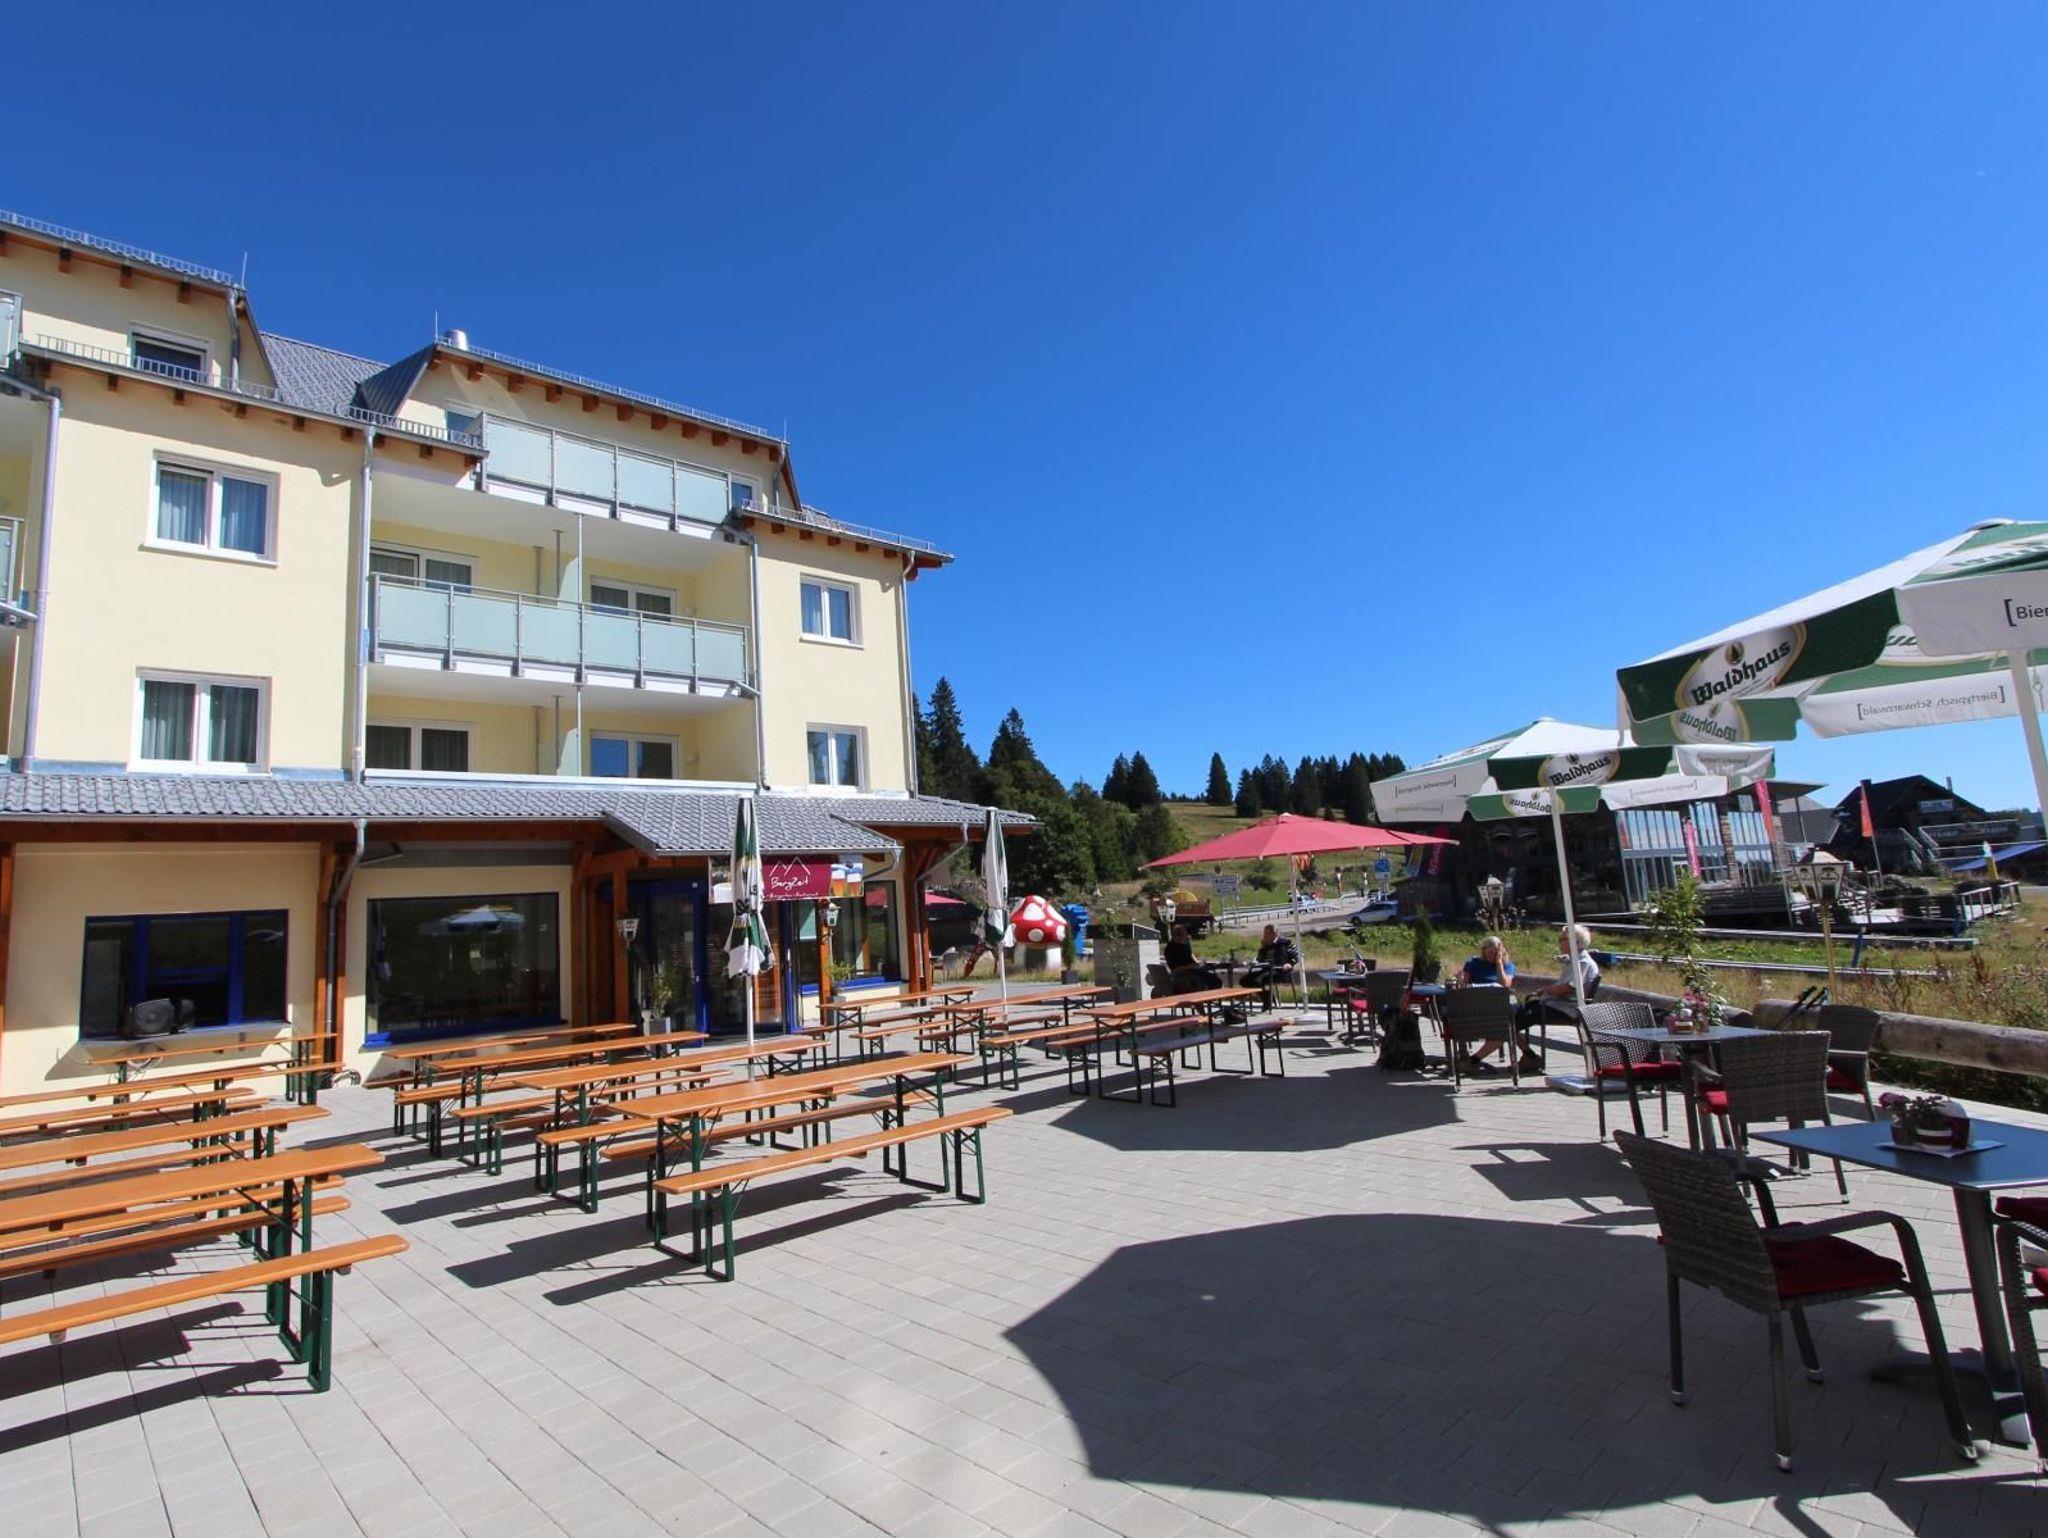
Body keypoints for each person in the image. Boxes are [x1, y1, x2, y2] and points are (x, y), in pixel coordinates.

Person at [1512, 926, 1601, 1072]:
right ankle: (1529, 1055)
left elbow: (1567, 988)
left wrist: (1546, 990)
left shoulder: (1582, 963)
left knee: (1512, 1020)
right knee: (1513, 1015)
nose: (1559, 942)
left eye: (1562, 939)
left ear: (1575, 942)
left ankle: (1528, 1056)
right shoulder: (1575, 961)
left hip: (1566, 1009)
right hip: (1556, 1005)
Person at [1455, 935, 1516, 1075]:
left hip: (1498, 1007)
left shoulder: (1508, 966)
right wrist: (1461, 980)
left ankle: (1472, 1061)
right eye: (1490, 953)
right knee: (1509, 1028)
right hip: (1476, 1005)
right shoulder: (1473, 963)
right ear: (1483, 951)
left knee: (1507, 1028)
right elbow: (1463, 985)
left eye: (1495, 953)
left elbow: (1505, 985)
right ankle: (1471, 1060)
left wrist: (1499, 963)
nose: (1492, 956)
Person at [1243, 923, 1300, 1003]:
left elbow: (1299, 954)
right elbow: (1259, 959)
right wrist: (1260, 951)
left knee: (1258, 980)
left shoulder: (1285, 943)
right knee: (1245, 980)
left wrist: (1290, 964)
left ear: (1274, 933)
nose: (1264, 935)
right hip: (1266, 970)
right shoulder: (1266, 946)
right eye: (1264, 933)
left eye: (1267, 933)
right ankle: (1268, 997)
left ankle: (1267, 1000)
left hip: (1280, 972)